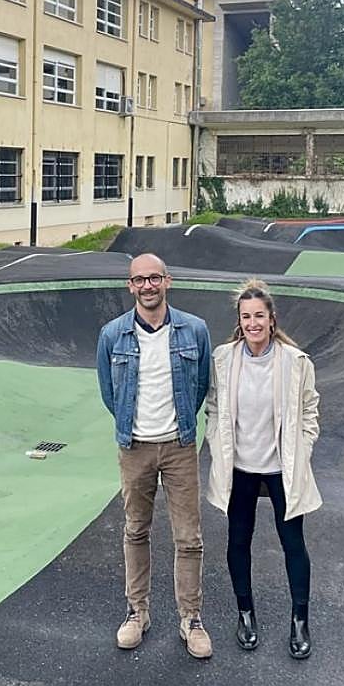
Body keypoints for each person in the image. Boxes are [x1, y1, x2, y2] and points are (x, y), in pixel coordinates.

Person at [96, 253, 213, 659]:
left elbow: (200, 386)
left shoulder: (194, 330)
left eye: (155, 278)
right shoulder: (113, 335)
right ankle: (137, 612)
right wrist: (130, 425)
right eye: (140, 280)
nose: (148, 286)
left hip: (180, 446)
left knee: (189, 538)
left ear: (168, 281)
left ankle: (191, 619)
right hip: (135, 448)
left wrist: (181, 424)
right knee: (135, 530)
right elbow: (110, 394)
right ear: (130, 286)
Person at [204, 279, 321, 659]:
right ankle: (245, 614)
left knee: (293, 544)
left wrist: (302, 449)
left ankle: (299, 620)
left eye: (259, 316)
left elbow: (309, 411)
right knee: (238, 541)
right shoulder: (223, 358)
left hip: (280, 467)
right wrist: (214, 440)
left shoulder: (295, 361)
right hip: (239, 466)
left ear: (272, 319)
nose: (253, 323)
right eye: (246, 317)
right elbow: (215, 407)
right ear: (240, 322)